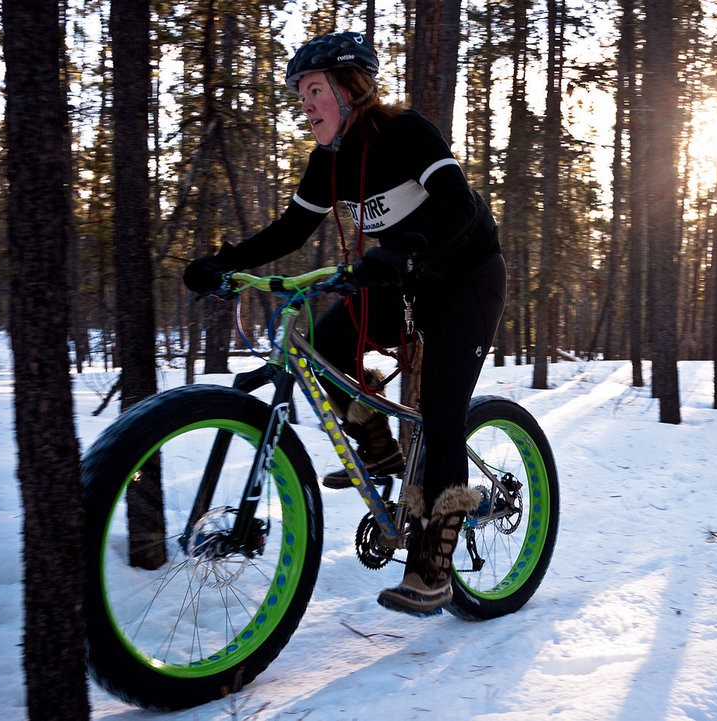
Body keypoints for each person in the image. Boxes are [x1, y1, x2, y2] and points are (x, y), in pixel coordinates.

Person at [183, 31, 506, 617]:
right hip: (402, 278)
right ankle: (378, 449)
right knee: (325, 343)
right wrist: (224, 262)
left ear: (349, 88)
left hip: (467, 281)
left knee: (440, 414)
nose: (304, 105)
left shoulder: (405, 132)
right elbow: (288, 232)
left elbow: (457, 203)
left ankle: (432, 567)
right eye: (299, 95)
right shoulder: (326, 164)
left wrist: (401, 247)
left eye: (312, 91)